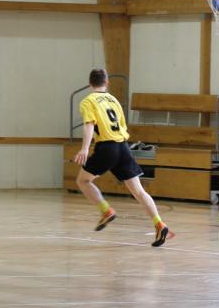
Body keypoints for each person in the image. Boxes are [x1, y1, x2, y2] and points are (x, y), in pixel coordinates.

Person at [73, 68, 174, 247]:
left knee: (83, 181)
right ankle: (160, 224)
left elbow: (89, 124)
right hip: (123, 147)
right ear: (107, 82)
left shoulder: (88, 101)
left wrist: (84, 149)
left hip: (107, 147)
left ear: (90, 83)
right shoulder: (114, 100)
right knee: (138, 191)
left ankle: (106, 211)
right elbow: (121, 125)